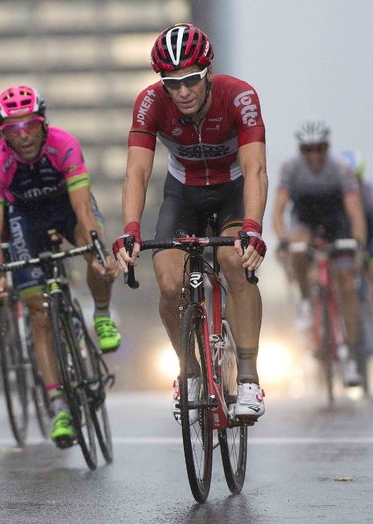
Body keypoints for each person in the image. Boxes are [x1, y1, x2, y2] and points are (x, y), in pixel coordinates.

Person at [112, 23, 268, 420]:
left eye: (191, 80)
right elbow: (137, 173)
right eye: (172, 82)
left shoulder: (239, 96)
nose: (182, 91)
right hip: (183, 195)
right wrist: (130, 228)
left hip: (232, 190)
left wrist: (252, 226)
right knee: (167, 283)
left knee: (236, 260)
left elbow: (255, 169)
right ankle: (191, 372)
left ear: (208, 73)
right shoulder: (150, 102)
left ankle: (248, 377)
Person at [0, 84, 121, 448]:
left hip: (67, 208)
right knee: (39, 313)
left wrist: (97, 249)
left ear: (43, 122)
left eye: (30, 125)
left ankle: (102, 314)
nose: (23, 135)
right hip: (25, 219)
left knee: (94, 249)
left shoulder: (64, 144)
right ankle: (59, 404)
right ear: (3, 132)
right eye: (13, 129)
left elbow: (84, 212)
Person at [272, 120, 366, 385]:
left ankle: (350, 353)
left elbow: (355, 211)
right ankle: (305, 298)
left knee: (347, 284)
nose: (314, 155)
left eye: (320, 149)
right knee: (297, 245)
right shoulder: (290, 168)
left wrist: (357, 242)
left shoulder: (341, 169)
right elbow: (279, 211)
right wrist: (283, 240)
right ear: (300, 150)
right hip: (305, 218)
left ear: (328, 148)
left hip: (337, 222)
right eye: (308, 149)